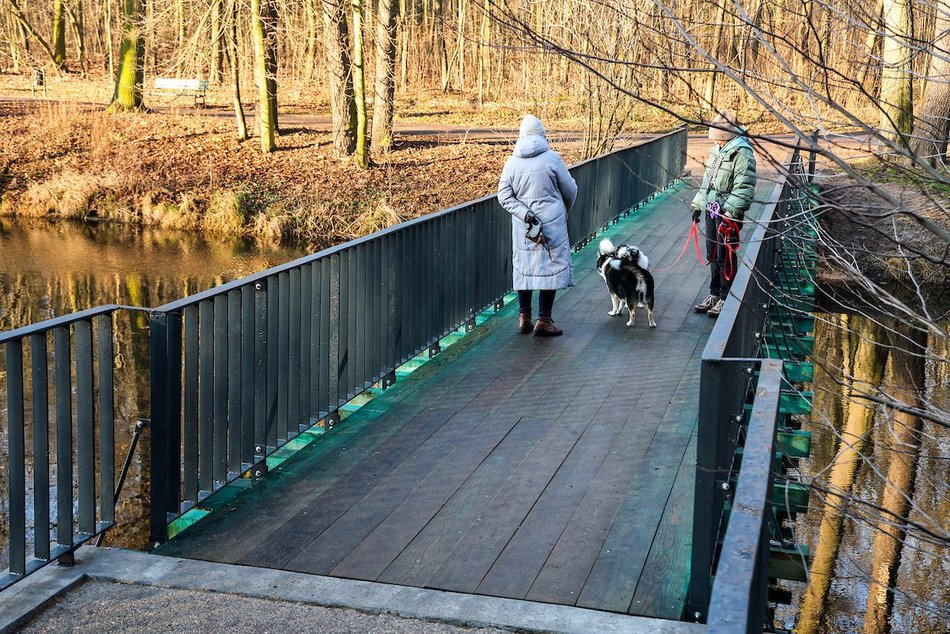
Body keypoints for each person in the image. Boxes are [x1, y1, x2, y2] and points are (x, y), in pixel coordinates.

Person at [498, 114, 578, 336]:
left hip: (525, 227)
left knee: (525, 269)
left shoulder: (511, 163)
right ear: (543, 134)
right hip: (551, 224)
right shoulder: (552, 158)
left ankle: (524, 317)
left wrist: (526, 214)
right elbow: (570, 190)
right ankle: (544, 319)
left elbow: (504, 196)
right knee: (549, 268)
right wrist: (561, 211)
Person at [691, 109, 757, 318]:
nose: (716, 143)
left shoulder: (742, 153)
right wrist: (698, 206)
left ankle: (726, 297)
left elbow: (744, 187)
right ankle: (714, 292)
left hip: (728, 212)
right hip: (712, 208)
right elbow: (707, 183)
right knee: (712, 252)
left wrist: (730, 212)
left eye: (719, 140)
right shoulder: (717, 151)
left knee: (725, 256)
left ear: (727, 137)